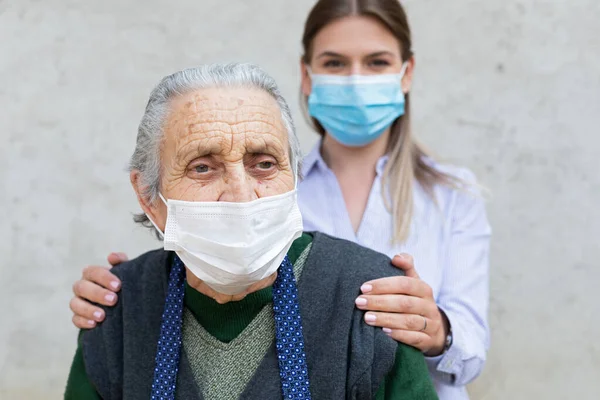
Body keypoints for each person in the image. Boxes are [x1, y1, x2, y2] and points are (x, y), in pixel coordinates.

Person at [69, 0, 491, 398]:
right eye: (203, 166)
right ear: (148, 195)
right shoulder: (123, 315)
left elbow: (471, 340)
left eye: (377, 62)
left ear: (406, 71)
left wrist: (432, 327)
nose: (242, 197)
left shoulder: (452, 196)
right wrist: (120, 298)